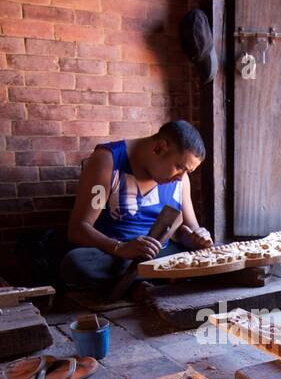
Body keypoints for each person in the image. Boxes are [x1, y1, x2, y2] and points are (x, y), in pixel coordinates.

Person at [60, 120, 213, 295]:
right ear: (159, 148)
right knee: (76, 263)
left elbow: (190, 228)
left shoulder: (180, 180)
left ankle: (138, 283)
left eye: (188, 171)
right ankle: (158, 281)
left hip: (160, 254)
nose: (181, 177)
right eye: (179, 167)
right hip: (116, 256)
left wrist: (199, 237)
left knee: (206, 256)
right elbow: (79, 229)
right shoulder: (108, 162)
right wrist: (120, 248)